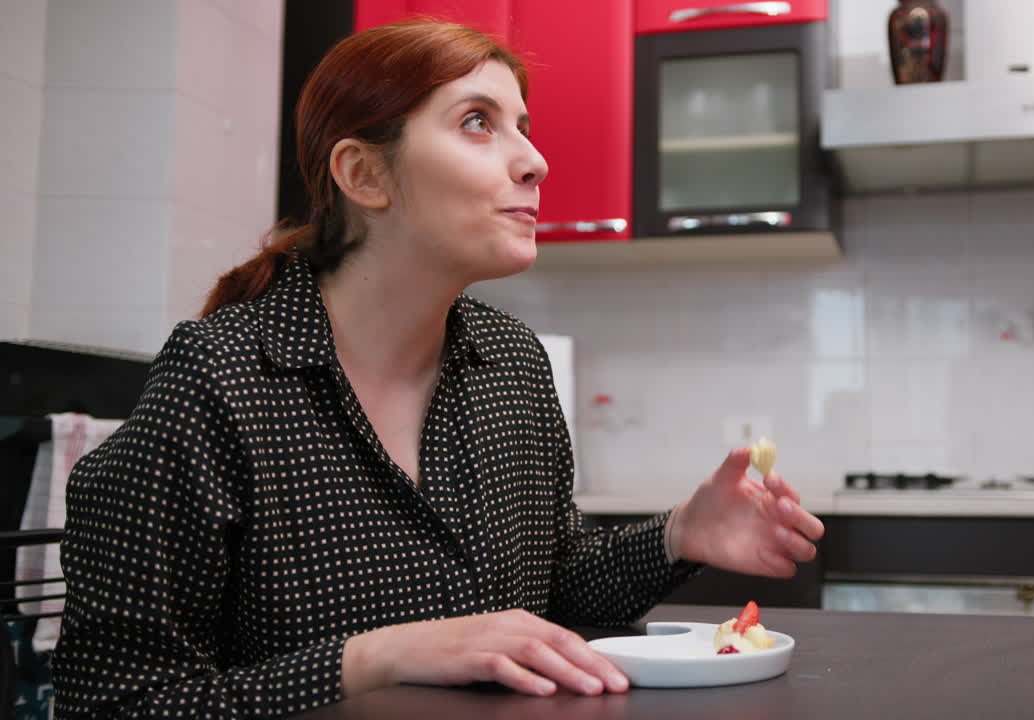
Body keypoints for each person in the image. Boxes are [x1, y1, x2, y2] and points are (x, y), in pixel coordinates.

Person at [50, 18, 824, 719]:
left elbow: (550, 595)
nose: (536, 161)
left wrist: (681, 534)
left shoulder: (512, 365)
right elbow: (115, 701)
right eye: (478, 123)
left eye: (525, 126)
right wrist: (376, 658)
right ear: (364, 176)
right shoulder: (219, 382)